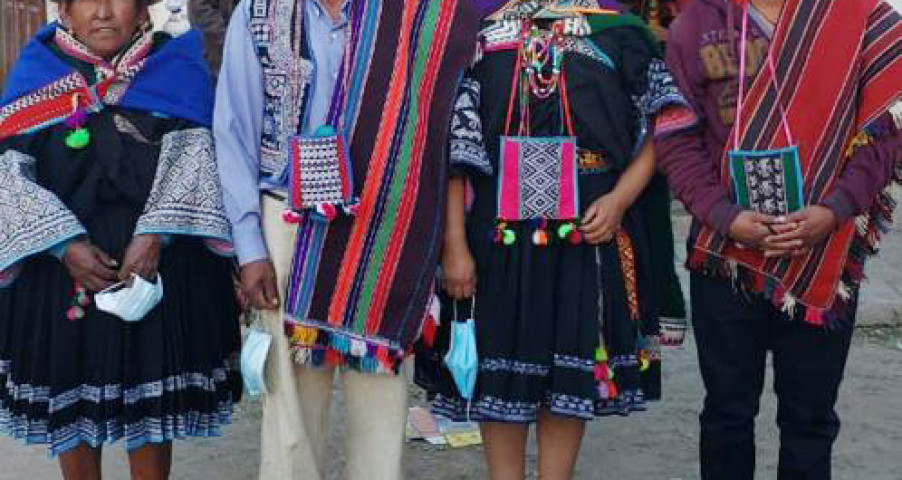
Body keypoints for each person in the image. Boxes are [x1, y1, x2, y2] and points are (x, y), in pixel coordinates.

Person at [213, 0, 505, 478]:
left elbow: (448, 117)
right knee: (289, 398)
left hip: (388, 224)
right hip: (288, 219)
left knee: (382, 393)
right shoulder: (260, 11)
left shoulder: (415, 14)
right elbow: (233, 128)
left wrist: (450, 239)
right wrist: (248, 246)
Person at [431, 1, 692, 478]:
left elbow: (666, 122)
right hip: (497, 232)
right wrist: (454, 244)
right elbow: (454, 143)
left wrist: (619, 200)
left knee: (568, 374)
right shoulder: (478, 32)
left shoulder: (619, 31)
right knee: (499, 374)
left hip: (588, 228)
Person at [657, 0, 902, 478]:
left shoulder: (858, 18)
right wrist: (725, 216)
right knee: (727, 414)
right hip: (725, 255)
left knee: (809, 420)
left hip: (823, 254)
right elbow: (676, 136)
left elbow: (884, 136)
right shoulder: (697, 24)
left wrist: (834, 211)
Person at [0, 0, 241, 478]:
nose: (104, 12)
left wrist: (155, 235)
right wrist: (61, 244)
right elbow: (8, 174)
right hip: (61, 273)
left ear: (142, 11)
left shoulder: (174, 65)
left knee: (151, 413)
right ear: (65, 11)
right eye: (87, 0)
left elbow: (198, 153)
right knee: (71, 406)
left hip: (156, 267)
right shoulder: (37, 71)